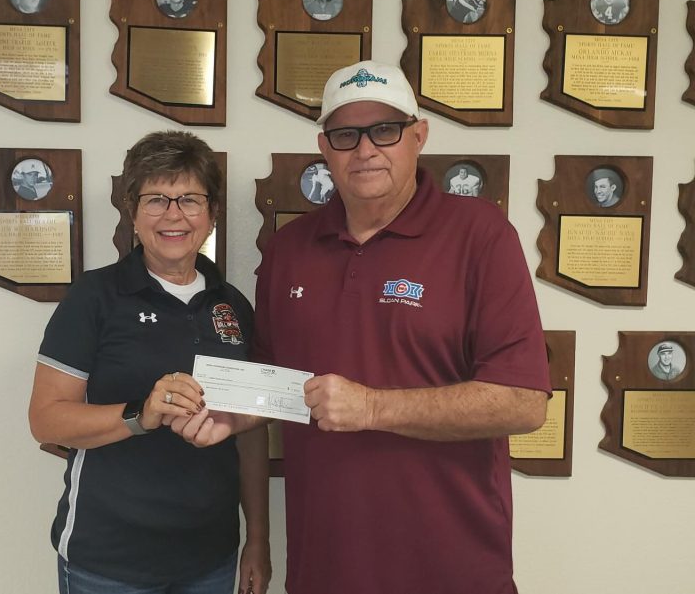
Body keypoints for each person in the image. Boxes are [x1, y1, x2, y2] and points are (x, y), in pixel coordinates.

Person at [173, 62, 550, 594]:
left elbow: (523, 401)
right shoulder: (289, 249)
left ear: (419, 136)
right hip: (325, 566)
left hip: (454, 566)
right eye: (346, 134)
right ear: (325, 147)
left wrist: (373, 408)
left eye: (385, 130)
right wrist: (232, 413)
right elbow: (275, 380)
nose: (366, 149)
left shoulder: (481, 234)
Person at [28, 131, 271, 594]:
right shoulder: (93, 297)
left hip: (210, 558)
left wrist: (257, 538)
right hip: (107, 562)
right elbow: (45, 420)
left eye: (190, 199)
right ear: (133, 213)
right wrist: (142, 414)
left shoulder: (234, 305)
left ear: (212, 214)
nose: (174, 214)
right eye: (156, 198)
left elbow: (249, 431)